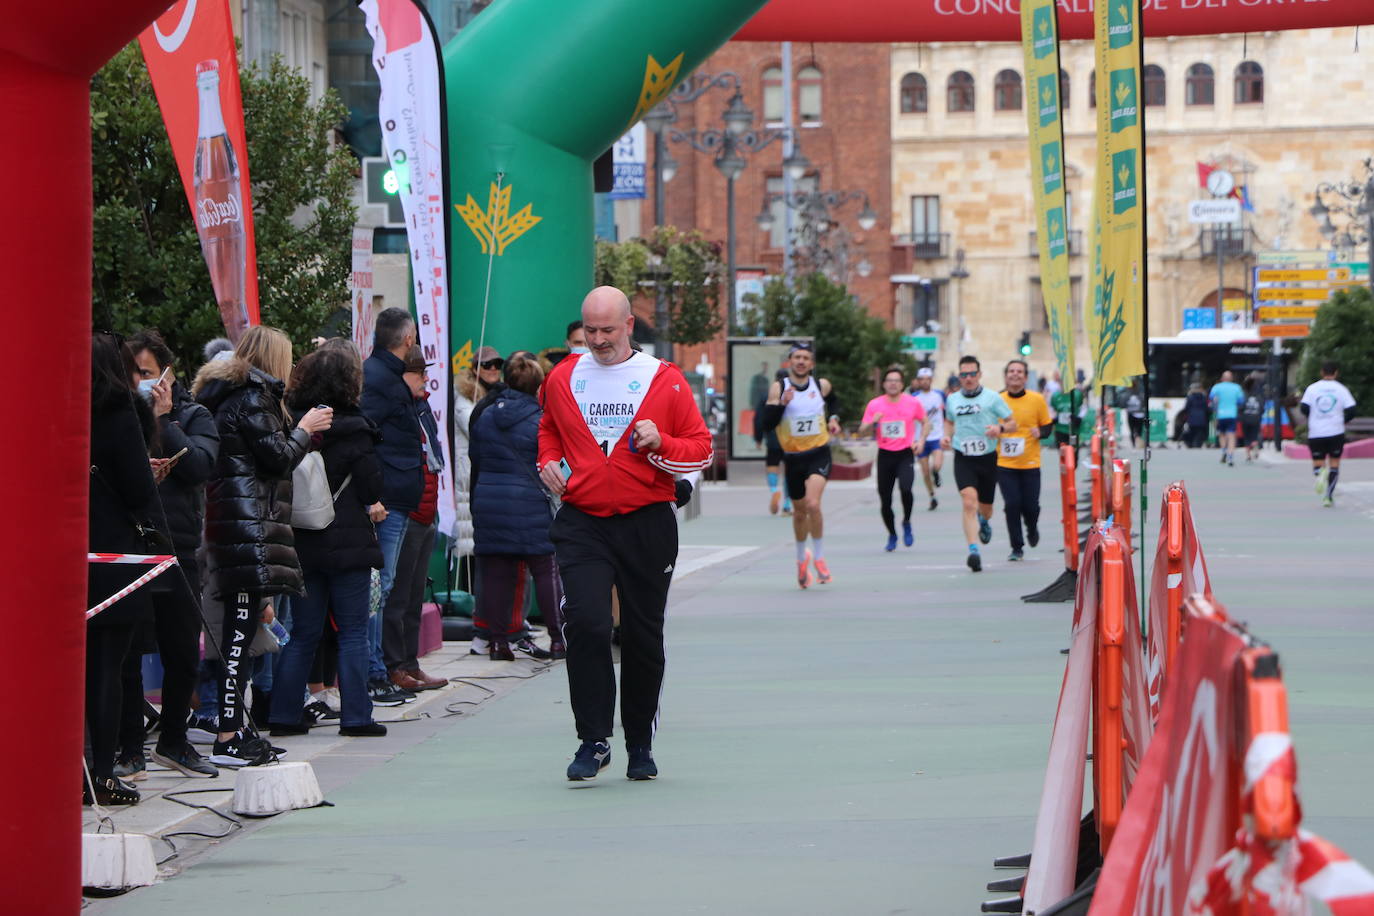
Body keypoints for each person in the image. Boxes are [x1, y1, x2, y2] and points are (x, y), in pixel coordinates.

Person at [537, 286, 713, 782]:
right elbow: (548, 428)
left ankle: (639, 741)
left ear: (629, 325)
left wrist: (662, 445)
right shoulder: (563, 376)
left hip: (646, 522)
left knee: (641, 635)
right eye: (589, 330)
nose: (597, 340)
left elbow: (701, 450)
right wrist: (547, 461)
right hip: (583, 522)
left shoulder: (666, 380)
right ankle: (593, 739)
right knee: (589, 624)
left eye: (607, 330)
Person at [194, 325, 333, 766]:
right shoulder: (254, 398)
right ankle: (228, 736)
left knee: (242, 634)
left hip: (240, 528)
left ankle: (234, 729)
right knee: (239, 638)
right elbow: (278, 457)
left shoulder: (230, 396)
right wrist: (306, 428)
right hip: (247, 531)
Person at [269, 342, 388, 738]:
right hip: (348, 538)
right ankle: (357, 716)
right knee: (353, 630)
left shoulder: (295, 426)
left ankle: (284, 714)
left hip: (304, 538)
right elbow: (371, 484)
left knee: (304, 632)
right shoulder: (357, 429)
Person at [116, 330, 221, 779]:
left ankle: (175, 740)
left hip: (178, 546)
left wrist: (163, 420)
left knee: (183, 651)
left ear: (167, 374)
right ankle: (129, 746)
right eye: (132, 373)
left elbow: (201, 466)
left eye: (147, 373)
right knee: (128, 653)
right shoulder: (117, 416)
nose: (140, 381)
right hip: (130, 547)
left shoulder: (193, 414)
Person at [86, 333, 161, 805]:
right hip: (115, 556)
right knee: (106, 670)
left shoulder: (56, 408)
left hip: (60, 555)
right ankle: (101, 770)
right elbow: (137, 488)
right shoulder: (119, 411)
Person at [470, 353, 565, 660]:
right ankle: (557, 639)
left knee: (497, 575)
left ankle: (498, 643)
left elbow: (476, 459)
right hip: (529, 503)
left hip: (489, 501)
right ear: (539, 385)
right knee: (546, 571)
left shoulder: (485, 415)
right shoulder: (541, 420)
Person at [360, 307, 422, 707]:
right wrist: (373, 496)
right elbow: (365, 436)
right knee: (378, 587)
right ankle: (374, 672)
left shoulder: (384, 375)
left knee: (384, 585)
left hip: (394, 494)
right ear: (407, 339)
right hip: (388, 498)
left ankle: (377, 670)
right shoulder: (380, 379)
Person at [383, 347, 454, 685]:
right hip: (408, 510)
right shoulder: (400, 408)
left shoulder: (421, 407)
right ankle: (395, 664)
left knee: (414, 594)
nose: (425, 379)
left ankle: (410, 662)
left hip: (427, 510)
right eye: (419, 373)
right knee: (397, 595)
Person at [760, 343, 843, 588]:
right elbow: (767, 424)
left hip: (819, 453)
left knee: (813, 504)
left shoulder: (820, 385)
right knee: (798, 513)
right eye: (797, 357)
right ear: (790, 361)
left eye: (806, 358)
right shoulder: (780, 387)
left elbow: (834, 401)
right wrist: (782, 404)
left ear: (811, 364)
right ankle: (800, 558)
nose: (801, 361)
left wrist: (834, 418)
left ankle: (818, 556)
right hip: (793, 457)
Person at [942, 355, 1016, 572]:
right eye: (963, 374)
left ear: (979, 375)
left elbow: (1012, 422)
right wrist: (947, 436)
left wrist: (999, 429)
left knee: (986, 508)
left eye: (972, 374)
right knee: (968, 501)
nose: (968, 378)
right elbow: (949, 421)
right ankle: (973, 550)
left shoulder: (992, 398)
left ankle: (984, 521)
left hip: (987, 457)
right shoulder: (953, 399)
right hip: (963, 457)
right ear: (959, 376)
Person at [859, 367, 928, 551]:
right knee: (885, 499)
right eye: (889, 380)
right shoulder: (875, 405)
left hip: (905, 453)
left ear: (902, 384)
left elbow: (926, 421)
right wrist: (873, 422)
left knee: (906, 489)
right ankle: (892, 533)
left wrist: (920, 441)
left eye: (896, 380)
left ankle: (906, 521)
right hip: (885, 455)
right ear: (884, 384)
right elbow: (862, 430)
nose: (893, 383)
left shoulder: (912, 403)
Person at [997, 360, 1054, 562]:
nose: (1015, 375)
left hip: (1030, 462)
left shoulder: (1036, 400)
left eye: (1019, 371)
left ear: (1025, 376)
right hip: (1005, 464)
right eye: (1011, 371)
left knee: (1031, 506)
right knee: (1011, 504)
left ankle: (1032, 526)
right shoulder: (997, 400)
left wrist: (1041, 432)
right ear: (1005, 376)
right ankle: (1016, 547)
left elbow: (1048, 427)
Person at [1301, 361, 1358, 507]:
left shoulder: (1312, 388)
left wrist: (1314, 417)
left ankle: (1320, 473)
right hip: (1336, 431)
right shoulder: (1341, 389)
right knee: (1334, 464)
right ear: (1336, 373)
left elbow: (1304, 407)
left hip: (1316, 432)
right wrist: (1342, 420)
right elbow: (1352, 410)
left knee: (1318, 463)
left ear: (1321, 372)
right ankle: (1328, 496)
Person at [753, 368, 792, 516]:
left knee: (772, 466)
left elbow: (758, 419)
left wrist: (758, 438)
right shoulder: (793, 395)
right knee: (789, 472)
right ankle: (787, 504)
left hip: (773, 438)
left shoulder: (766, 396)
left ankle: (775, 491)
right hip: (789, 439)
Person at [913, 367, 946, 510]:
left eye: (928, 379)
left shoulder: (939, 395)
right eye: (922, 380)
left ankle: (936, 473)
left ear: (931, 380)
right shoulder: (914, 397)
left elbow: (947, 412)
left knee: (937, 464)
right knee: (925, 471)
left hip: (937, 435)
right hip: (921, 438)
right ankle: (932, 496)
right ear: (918, 381)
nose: (925, 382)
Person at [1209, 370, 1245, 465]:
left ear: (1222, 378)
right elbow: (1241, 401)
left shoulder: (1216, 387)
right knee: (1231, 435)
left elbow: (1212, 399)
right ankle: (1230, 456)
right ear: (1231, 378)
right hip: (1232, 414)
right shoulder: (1237, 388)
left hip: (1220, 415)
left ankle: (1224, 451)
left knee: (1221, 434)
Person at [1240, 377, 1264, 463]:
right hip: (1256, 418)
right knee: (1254, 435)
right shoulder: (1258, 396)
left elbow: (1241, 406)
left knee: (1246, 436)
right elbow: (1262, 408)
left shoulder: (1244, 394)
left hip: (1245, 418)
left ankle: (1248, 455)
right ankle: (1255, 446)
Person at [1184, 383, 1210, 449]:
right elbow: (1206, 408)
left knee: (1192, 431)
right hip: (1201, 418)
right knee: (1199, 432)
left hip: (1192, 418)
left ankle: (1191, 444)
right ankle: (1197, 444)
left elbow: (1187, 408)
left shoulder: (1190, 397)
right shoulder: (1204, 397)